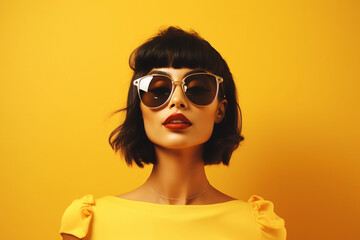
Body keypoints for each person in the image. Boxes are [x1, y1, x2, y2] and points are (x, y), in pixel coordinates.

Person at [59, 26, 286, 240]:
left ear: (220, 110)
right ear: (139, 107)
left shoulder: (257, 228)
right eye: (158, 90)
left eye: (197, 89)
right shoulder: (89, 225)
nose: (177, 100)